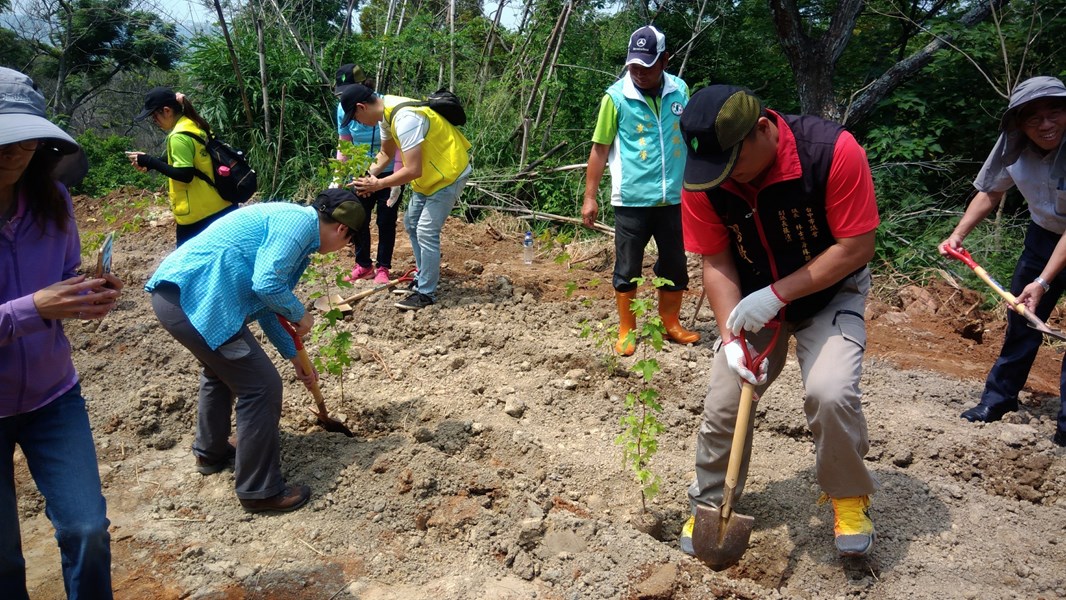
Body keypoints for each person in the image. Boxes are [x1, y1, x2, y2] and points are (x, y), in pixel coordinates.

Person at [678, 85, 881, 557]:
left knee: (830, 392)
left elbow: (857, 247)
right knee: (725, 401)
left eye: (734, 165)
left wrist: (778, 294)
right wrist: (730, 334)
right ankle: (710, 504)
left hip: (829, 293)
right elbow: (716, 260)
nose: (725, 180)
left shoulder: (831, 153)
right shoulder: (706, 179)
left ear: (764, 131)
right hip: (749, 299)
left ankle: (849, 498)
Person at [144, 189, 366, 512]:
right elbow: (266, 283)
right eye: (348, 244)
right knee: (262, 386)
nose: (341, 250)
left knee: (222, 370)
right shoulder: (297, 227)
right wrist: (300, 313)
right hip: (192, 301)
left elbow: (265, 305)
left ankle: (211, 451)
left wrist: (295, 357)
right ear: (343, 230)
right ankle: (259, 491)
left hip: (179, 297)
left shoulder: (297, 231)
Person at [0, 66, 122, 599]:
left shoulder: (54, 200)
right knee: (3, 557)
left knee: (86, 528)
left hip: (54, 395)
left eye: (26, 139)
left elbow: (60, 279)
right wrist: (35, 307)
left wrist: (83, 290)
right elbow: (36, 302)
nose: (15, 151)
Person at [939, 76, 1066, 447]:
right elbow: (991, 190)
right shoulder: (1012, 144)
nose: (1045, 124)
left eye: (1054, 112)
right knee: (1021, 317)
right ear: (1019, 124)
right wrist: (958, 234)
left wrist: (1042, 282)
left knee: (1033, 297)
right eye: (1033, 118)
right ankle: (998, 400)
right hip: (1043, 235)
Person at [580, 25, 699, 356]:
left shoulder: (680, 91)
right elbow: (599, 150)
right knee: (628, 266)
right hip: (631, 200)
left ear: (665, 60)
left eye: (647, 66)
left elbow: (691, 137)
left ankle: (670, 323)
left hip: (675, 198)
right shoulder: (616, 97)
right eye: (634, 65)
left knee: (675, 264)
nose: (639, 73)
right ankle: (627, 328)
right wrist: (590, 198)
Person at [342, 83, 472, 311]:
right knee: (411, 223)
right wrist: (365, 177)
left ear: (361, 107)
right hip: (431, 176)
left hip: (449, 173)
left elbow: (413, 169)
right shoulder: (387, 115)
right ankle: (422, 279)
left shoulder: (405, 119)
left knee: (426, 230)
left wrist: (379, 183)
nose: (357, 124)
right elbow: (385, 154)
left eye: (355, 117)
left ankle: (426, 293)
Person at [126, 87, 237, 246]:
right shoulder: (194, 123)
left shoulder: (178, 136)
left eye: (154, 116)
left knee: (186, 267)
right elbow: (192, 158)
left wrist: (151, 161)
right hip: (222, 204)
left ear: (166, 110)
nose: (154, 121)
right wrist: (152, 161)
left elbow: (185, 175)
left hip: (199, 214)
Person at [333, 64, 404, 285]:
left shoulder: (383, 107)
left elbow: (401, 144)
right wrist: (338, 176)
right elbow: (344, 143)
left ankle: (383, 267)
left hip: (392, 170)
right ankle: (363, 265)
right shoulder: (342, 108)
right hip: (362, 171)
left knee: (386, 219)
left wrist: (397, 179)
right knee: (358, 217)